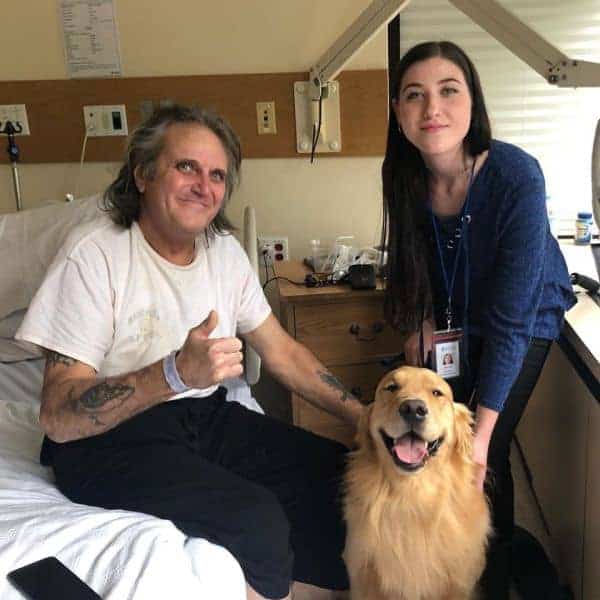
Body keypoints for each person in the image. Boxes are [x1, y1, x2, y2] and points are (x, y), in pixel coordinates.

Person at [16, 105, 363, 600]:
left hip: (202, 419)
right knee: (254, 516)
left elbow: (283, 352)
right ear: (141, 174)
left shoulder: (223, 252)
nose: (205, 185)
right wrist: (173, 374)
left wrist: (362, 416)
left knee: (341, 478)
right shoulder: (94, 255)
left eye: (217, 174)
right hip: (106, 443)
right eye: (186, 167)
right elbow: (57, 415)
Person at [380, 41, 576, 598]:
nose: (431, 109)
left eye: (448, 91)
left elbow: (511, 321)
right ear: (398, 112)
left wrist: (484, 435)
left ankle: (488, 580)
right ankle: (445, 555)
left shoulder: (515, 175)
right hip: (453, 316)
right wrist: (417, 325)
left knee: (482, 451)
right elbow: (412, 261)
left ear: (474, 101)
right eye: (414, 96)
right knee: (438, 436)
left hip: (525, 316)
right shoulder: (404, 174)